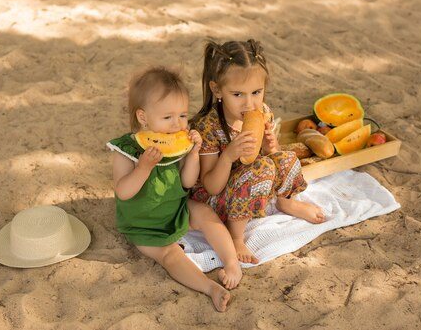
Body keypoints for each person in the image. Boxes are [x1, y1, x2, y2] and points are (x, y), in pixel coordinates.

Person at [108, 67, 242, 312]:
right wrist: (143, 168)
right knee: (170, 256)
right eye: (168, 117)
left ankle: (232, 263)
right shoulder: (126, 150)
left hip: (176, 208)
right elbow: (123, 191)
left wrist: (193, 155)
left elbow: (187, 183)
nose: (177, 124)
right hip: (144, 225)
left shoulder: (179, 142)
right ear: (143, 117)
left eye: (182, 115)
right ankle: (209, 288)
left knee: (204, 213)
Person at [190, 39, 326, 265]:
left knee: (286, 158)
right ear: (217, 90)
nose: (249, 103)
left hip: (248, 186)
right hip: (216, 200)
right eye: (238, 94)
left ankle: (286, 202)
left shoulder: (262, 113)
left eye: (256, 92)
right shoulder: (209, 127)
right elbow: (210, 186)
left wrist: (270, 149)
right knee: (262, 167)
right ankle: (235, 236)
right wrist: (228, 155)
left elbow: (269, 161)